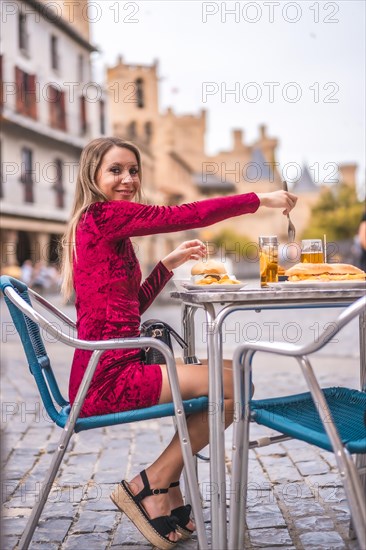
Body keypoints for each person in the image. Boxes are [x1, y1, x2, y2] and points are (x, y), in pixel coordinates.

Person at [60, 137, 297, 549]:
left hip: (111, 365)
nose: (128, 179)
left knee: (233, 372)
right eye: (115, 170)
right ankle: (151, 482)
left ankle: (165, 484)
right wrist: (261, 198)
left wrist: (165, 266)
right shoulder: (102, 215)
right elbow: (186, 213)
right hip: (108, 379)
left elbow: (129, 308)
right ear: (93, 175)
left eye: (133, 170)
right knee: (234, 387)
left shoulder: (101, 224)